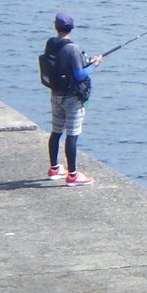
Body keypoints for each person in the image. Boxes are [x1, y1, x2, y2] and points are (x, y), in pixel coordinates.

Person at [43, 12, 103, 187]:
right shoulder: (73, 49)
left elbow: (63, 65)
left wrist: (87, 61)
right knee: (72, 134)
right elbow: (79, 75)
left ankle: (54, 169)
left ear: (55, 26)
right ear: (72, 28)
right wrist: (94, 64)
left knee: (56, 131)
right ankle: (72, 175)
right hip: (72, 99)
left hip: (56, 95)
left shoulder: (51, 43)